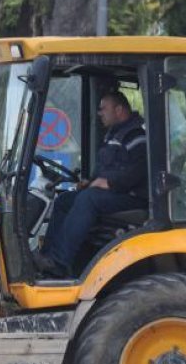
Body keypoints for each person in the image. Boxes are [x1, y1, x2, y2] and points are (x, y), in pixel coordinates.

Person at [35, 91, 148, 277]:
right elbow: (107, 167)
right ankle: (47, 257)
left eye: (103, 108)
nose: (99, 113)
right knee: (65, 200)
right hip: (114, 193)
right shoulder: (114, 134)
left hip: (132, 196)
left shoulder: (135, 135)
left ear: (119, 110)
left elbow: (139, 171)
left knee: (89, 199)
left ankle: (60, 262)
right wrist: (90, 181)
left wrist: (109, 183)